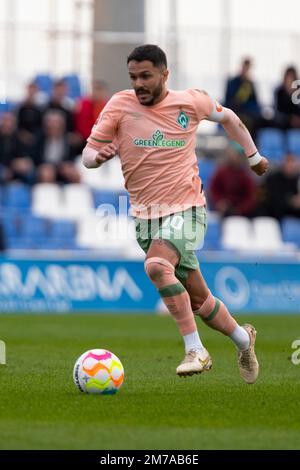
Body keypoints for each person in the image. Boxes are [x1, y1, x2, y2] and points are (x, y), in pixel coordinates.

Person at [82, 44, 269, 383]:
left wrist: (254, 157)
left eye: (146, 76)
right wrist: (98, 157)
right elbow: (87, 154)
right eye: (133, 77)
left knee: (156, 265)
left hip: (188, 209)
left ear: (165, 75)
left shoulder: (190, 101)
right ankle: (244, 339)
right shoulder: (119, 105)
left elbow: (229, 118)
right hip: (145, 216)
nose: (138, 83)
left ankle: (196, 349)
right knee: (200, 300)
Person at [209, 142, 257, 217]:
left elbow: (250, 197)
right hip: (221, 211)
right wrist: (219, 203)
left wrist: (239, 210)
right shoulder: (221, 171)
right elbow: (213, 190)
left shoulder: (246, 175)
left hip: (241, 214)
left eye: (239, 155)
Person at [224, 58, 262, 136]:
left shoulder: (250, 84)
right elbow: (232, 102)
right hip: (236, 112)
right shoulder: (233, 82)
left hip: (248, 113)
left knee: (258, 120)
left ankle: (252, 144)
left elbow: (255, 103)